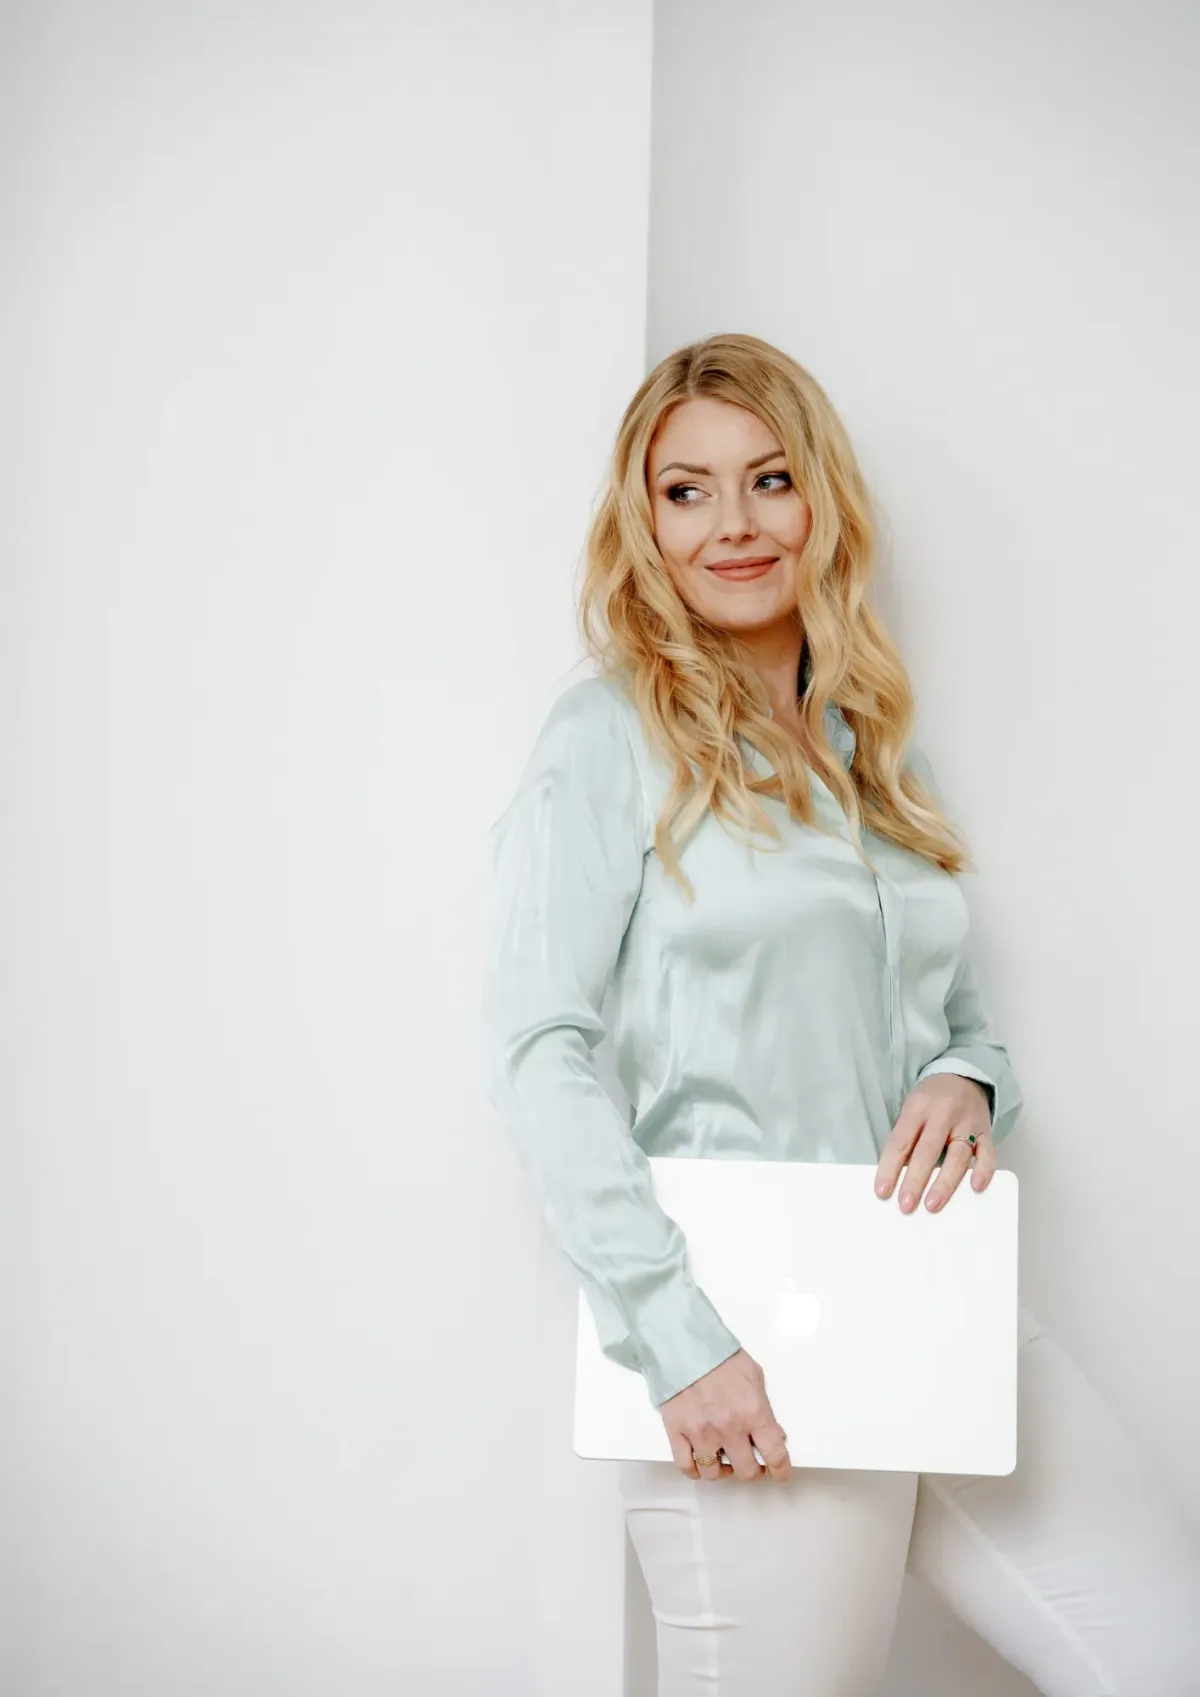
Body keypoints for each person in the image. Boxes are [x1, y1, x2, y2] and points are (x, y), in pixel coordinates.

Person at [478, 332, 1200, 1695]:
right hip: (741, 1328)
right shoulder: (607, 733)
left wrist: (969, 1086)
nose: (735, 524)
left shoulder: (877, 741)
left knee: (1164, 1644)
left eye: (769, 478)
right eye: (686, 491)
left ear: (823, 500)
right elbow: (538, 1052)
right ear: (645, 523)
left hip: (932, 1290)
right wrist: (678, 1344)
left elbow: (959, 1018)